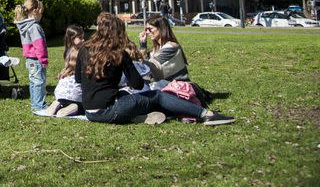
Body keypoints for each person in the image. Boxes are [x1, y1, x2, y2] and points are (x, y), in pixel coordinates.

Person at [75, 13, 235, 125]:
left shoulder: (84, 49)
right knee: (157, 96)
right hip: (110, 110)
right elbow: (137, 84)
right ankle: (206, 115)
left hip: (89, 112)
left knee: (129, 97)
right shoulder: (118, 54)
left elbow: (78, 79)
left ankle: (138, 117)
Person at [14, 0, 48, 114]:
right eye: (41, 13)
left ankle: (35, 103)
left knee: (33, 82)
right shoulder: (35, 27)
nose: (41, 15)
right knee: (39, 82)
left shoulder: (24, 25)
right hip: (36, 60)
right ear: (35, 11)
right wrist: (43, 60)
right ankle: (39, 105)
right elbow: (39, 46)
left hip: (29, 59)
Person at [41, 24, 83, 117]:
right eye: (80, 38)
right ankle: (75, 106)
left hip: (61, 91)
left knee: (62, 100)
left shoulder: (67, 52)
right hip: (75, 93)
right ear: (72, 39)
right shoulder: (82, 52)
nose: (83, 40)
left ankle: (57, 103)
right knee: (83, 105)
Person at [139, 15, 190, 84]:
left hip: (178, 88)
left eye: (150, 29)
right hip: (164, 86)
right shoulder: (155, 50)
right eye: (146, 30)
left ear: (161, 28)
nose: (147, 32)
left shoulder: (171, 47)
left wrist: (139, 51)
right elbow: (144, 67)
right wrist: (143, 43)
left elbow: (151, 67)